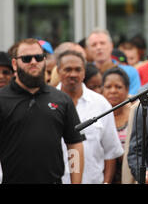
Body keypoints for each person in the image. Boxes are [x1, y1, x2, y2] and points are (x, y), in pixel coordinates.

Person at [0, 38, 85, 183]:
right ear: (14, 64)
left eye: (38, 57)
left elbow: (75, 145)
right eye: (26, 58)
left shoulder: (62, 99)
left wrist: (76, 182)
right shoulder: (2, 99)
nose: (33, 62)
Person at [56, 50, 124, 184]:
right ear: (58, 71)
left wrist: (106, 182)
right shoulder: (47, 103)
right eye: (68, 69)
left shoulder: (101, 104)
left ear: (84, 72)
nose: (73, 74)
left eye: (78, 69)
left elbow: (110, 152)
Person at [86, 28, 141, 95]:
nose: (99, 47)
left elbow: (134, 100)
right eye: (94, 45)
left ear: (111, 45)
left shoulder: (130, 71)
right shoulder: (85, 73)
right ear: (88, 49)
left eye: (102, 43)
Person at [102, 67, 132, 184]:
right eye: (108, 87)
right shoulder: (97, 115)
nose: (113, 91)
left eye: (118, 87)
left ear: (127, 89)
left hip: (130, 174)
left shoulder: (135, 113)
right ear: (102, 89)